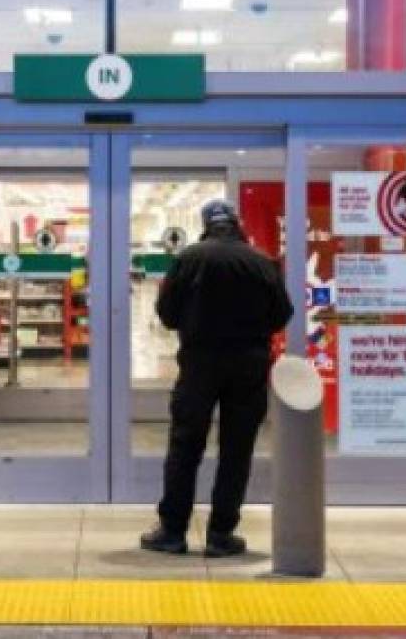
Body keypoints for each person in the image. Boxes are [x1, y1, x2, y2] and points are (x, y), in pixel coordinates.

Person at [140, 199, 294, 558]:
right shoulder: (261, 261)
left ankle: (173, 531)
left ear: (206, 224)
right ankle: (221, 534)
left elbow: (167, 313)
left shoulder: (190, 258)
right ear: (237, 224)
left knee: (185, 445)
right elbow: (281, 313)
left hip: (199, 363)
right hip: (249, 364)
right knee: (236, 450)